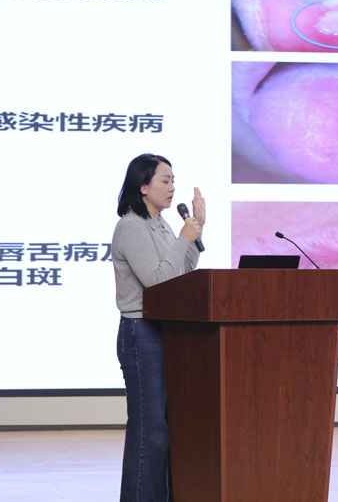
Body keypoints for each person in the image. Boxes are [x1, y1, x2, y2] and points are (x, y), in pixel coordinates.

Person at [112, 153, 205, 501]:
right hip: (142, 333)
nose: (172, 187)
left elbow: (183, 272)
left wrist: (196, 230)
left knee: (164, 430)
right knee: (149, 430)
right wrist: (183, 239)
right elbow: (156, 282)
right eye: (165, 180)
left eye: (173, 180)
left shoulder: (162, 224)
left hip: (166, 332)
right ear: (143, 186)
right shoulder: (132, 226)